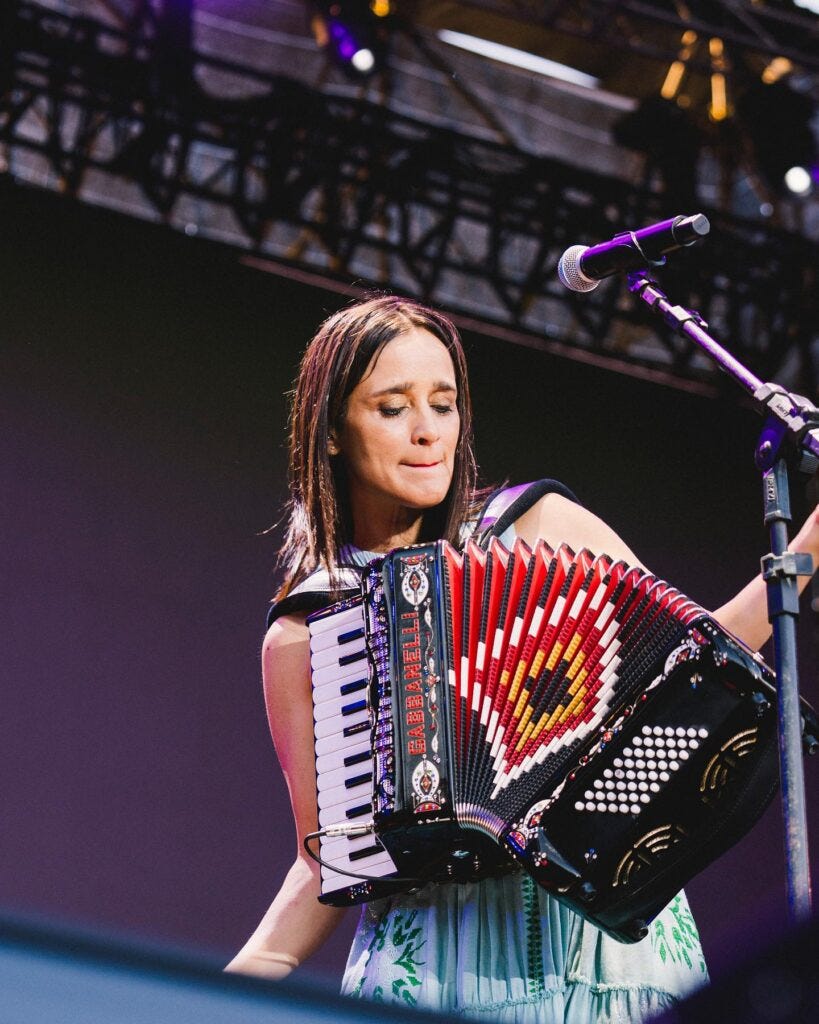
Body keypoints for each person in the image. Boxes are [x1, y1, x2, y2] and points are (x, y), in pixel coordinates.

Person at [226, 295, 819, 1021]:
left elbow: (702, 661)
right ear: (330, 434)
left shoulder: (538, 525)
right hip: (437, 969)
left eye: (443, 405)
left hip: (606, 959)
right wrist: (222, 988)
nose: (427, 431)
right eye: (392, 408)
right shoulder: (312, 628)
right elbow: (327, 858)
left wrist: (810, 545)